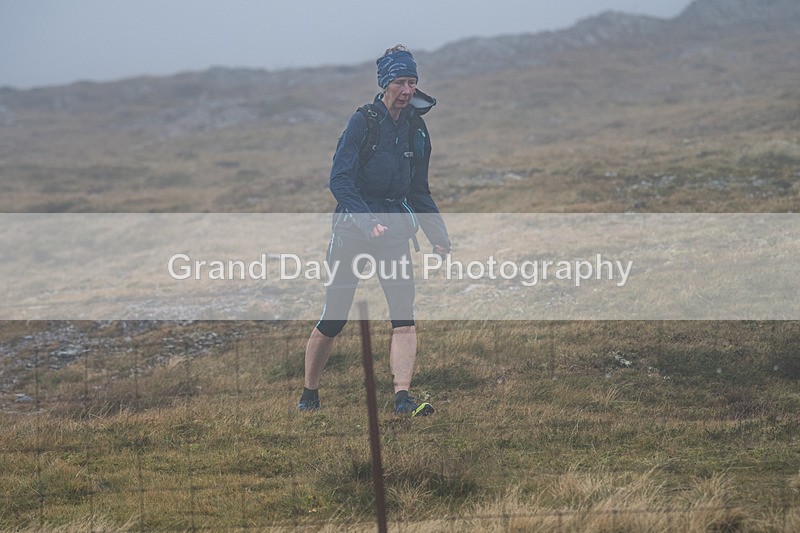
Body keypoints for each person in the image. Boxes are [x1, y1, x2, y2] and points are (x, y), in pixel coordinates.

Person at [298, 45, 451, 417]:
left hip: (395, 232)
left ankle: (403, 398)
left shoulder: (417, 128)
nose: (407, 90)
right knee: (335, 317)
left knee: (403, 314)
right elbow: (339, 180)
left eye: (412, 82)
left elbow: (419, 189)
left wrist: (438, 234)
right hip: (352, 231)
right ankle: (309, 393)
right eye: (400, 81)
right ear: (385, 84)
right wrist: (368, 220)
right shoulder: (362, 122)